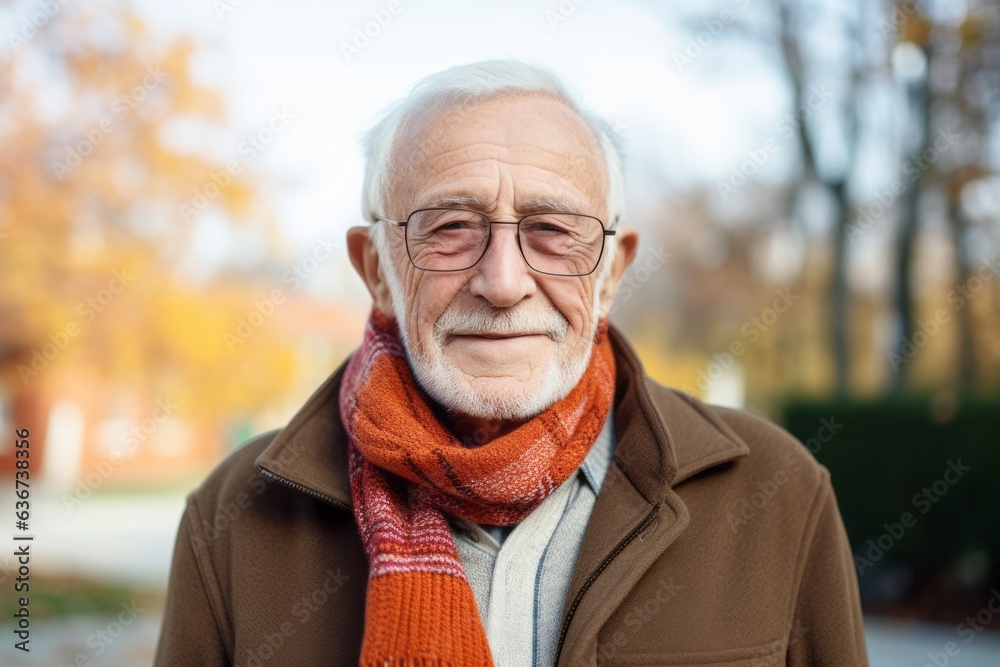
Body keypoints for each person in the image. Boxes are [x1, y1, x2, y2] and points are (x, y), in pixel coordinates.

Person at [154, 60, 868, 667]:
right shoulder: (234, 517)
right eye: (451, 227)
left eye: (553, 230)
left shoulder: (781, 494)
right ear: (377, 269)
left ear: (612, 272)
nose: (502, 282)